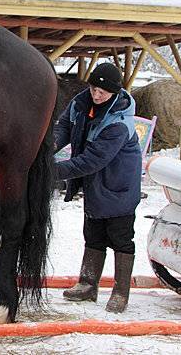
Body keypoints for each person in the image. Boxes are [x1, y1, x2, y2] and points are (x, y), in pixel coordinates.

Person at [54, 62, 142, 313]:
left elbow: (92, 160)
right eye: (93, 88)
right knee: (92, 233)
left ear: (114, 92)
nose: (96, 94)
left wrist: (52, 172)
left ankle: (120, 292)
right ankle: (87, 283)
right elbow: (65, 127)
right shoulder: (81, 103)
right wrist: (50, 146)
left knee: (121, 237)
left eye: (102, 91)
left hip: (118, 185)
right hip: (95, 183)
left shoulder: (119, 123)